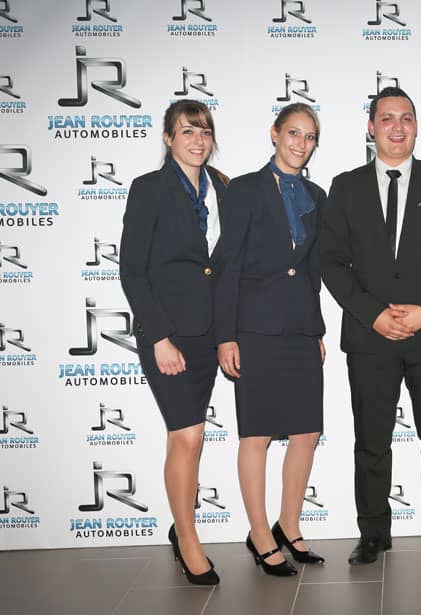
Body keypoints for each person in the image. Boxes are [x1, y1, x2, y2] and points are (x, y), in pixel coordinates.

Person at [319, 86, 421, 565]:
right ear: (371, 127)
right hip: (371, 337)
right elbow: (331, 262)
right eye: (387, 118)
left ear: (417, 126)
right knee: (371, 441)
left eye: (406, 117)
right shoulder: (345, 187)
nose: (397, 127)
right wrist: (373, 314)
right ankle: (372, 533)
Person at [214, 103, 327, 575]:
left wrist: (316, 329)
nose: (301, 143)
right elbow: (227, 265)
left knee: (307, 432)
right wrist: (226, 335)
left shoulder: (317, 195)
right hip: (254, 328)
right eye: (294, 133)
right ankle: (260, 534)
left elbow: (312, 270)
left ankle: (289, 525)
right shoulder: (243, 189)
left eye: (310, 136)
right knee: (257, 434)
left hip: (300, 327)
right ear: (275, 134)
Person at [119, 99, 227, 585]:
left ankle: (180, 525)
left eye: (204, 131)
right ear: (168, 138)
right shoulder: (149, 189)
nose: (198, 140)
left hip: (209, 333)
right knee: (188, 436)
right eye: (187, 131)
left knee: (188, 436)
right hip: (168, 334)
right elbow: (132, 271)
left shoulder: (223, 187)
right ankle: (188, 540)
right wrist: (160, 336)